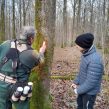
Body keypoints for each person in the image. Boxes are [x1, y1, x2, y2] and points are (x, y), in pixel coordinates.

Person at [0, 26, 46, 109]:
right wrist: (41, 52)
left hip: (1, 85)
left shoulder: (5, 43)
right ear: (31, 39)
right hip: (18, 88)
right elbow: (41, 61)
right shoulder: (32, 53)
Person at [71, 33, 104, 109]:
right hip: (83, 89)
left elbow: (91, 83)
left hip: (89, 93)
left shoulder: (95, 60)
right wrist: (75, 82)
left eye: (78, 45)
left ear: (84, 46)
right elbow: (82, 72)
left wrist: (78, 90)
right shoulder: (86, 55)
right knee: (80, 106)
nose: (76, 46)